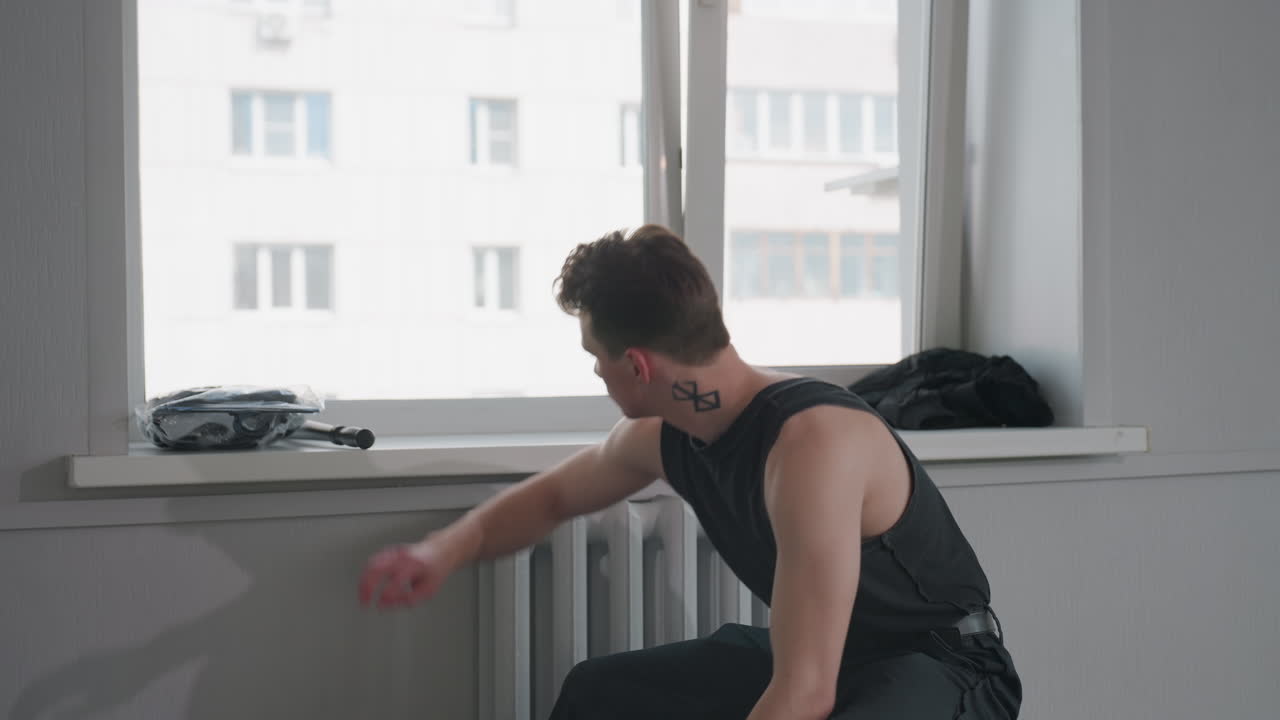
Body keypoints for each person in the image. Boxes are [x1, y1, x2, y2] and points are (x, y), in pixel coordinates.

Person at [359, 225, 1022, 719]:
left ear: (637, 365)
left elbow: (804, 693)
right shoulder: (663, 435)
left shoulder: (812, 446)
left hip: (945, 665)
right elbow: (554, 498)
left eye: (595, 356)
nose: (595, 371)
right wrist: (440, 552)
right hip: (842, 658)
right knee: (601, 692)